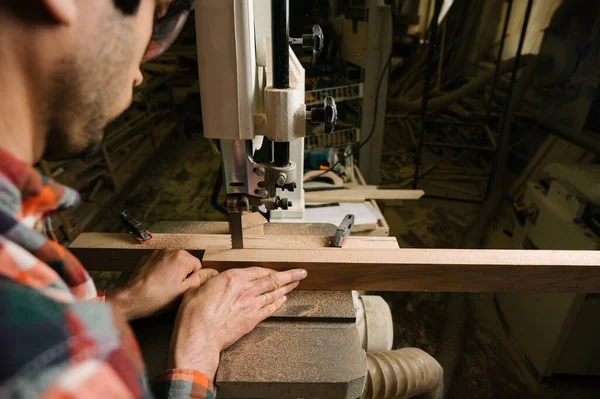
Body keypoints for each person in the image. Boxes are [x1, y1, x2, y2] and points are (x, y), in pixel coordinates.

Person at [0, 0, 307, 397]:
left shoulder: (18, 231)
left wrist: (121, 305)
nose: (141, 69)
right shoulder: (38, 350)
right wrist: (195, 353)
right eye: (156, 14)